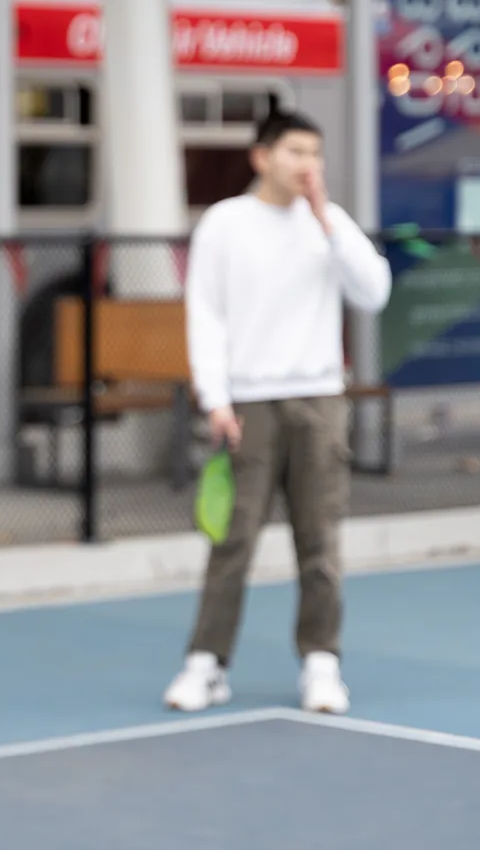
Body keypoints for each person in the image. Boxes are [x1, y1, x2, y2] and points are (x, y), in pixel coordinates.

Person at [164, 109, 392, 716]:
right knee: (232, 541)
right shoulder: (225, 223)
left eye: (315, 153)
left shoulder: (329, 223)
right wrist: (215, 398)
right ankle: (205, 664)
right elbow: (205, 314)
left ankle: (322, 663)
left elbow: (373, 291)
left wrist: (326, 220)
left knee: (320, 542)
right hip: (249, 404)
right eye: (294, 151)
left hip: (319, 401)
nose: (307, 165)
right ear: (261, 156)